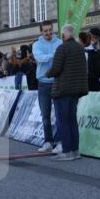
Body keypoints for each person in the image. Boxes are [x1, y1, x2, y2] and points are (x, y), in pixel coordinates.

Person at [47, 24, 88, 162]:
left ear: (64, 34)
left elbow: (56, 69)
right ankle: (75, 151)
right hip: (76, 90)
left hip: (62, 89)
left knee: (63, 121)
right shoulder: (80, 48)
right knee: (72, 120)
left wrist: (47, 73)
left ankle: (67, 151)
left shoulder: (62, 48)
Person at [32, 21, 62, 153]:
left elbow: (62, 59)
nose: (48, 33)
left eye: (50, 30)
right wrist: (54, 55)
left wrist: (49, 57)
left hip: (58, 81)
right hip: (43, 83)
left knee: (60, 113)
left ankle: (60, 142)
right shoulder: (36, 45)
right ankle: (48, 142)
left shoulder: (60, 42)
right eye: (45, 31)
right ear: (41, 32)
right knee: (45, 115)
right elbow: (40, 58)